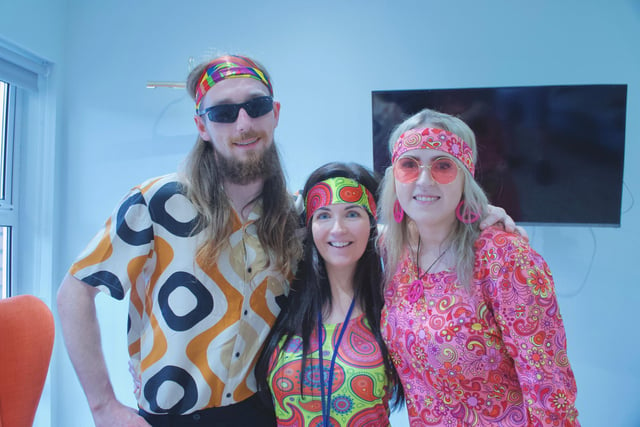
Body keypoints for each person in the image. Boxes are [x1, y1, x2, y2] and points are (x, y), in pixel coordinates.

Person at [56, 54, 302, 427]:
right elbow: (74, 292)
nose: (244, 123)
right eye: (223, 112)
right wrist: (103, 406)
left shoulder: (293, 213)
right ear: (202, 125)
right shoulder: (156, 201)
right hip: (172, 418)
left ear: (275, 113)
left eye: (256, 106)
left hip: (261, 412)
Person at [378, 108, 580, 426]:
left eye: (443, 166)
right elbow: (333, 228)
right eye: (409, 165)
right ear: (395, 176)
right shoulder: (394, 251)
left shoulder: (504, 258)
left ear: (464, 176)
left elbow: (549, 387)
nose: (425, 179)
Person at [256, 162, 403, 426]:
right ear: (309, 225)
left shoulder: (393, 308)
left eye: (352, 214)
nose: (338, 229)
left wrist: (478, 213)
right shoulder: (280, 295)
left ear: (371, 222)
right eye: (323, 215)